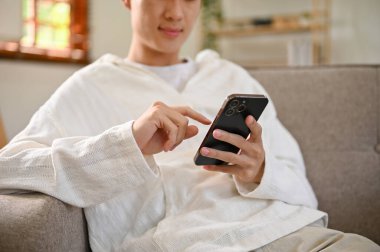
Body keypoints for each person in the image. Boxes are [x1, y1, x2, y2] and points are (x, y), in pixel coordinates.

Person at [0, 0, 379, 251]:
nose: (176, 13)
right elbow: (10, 168)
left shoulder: (229, 74)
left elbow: (305, 192)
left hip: (285, 232)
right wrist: (126, 142)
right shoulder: (91, 86)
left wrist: (259, 170)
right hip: (182, 243)